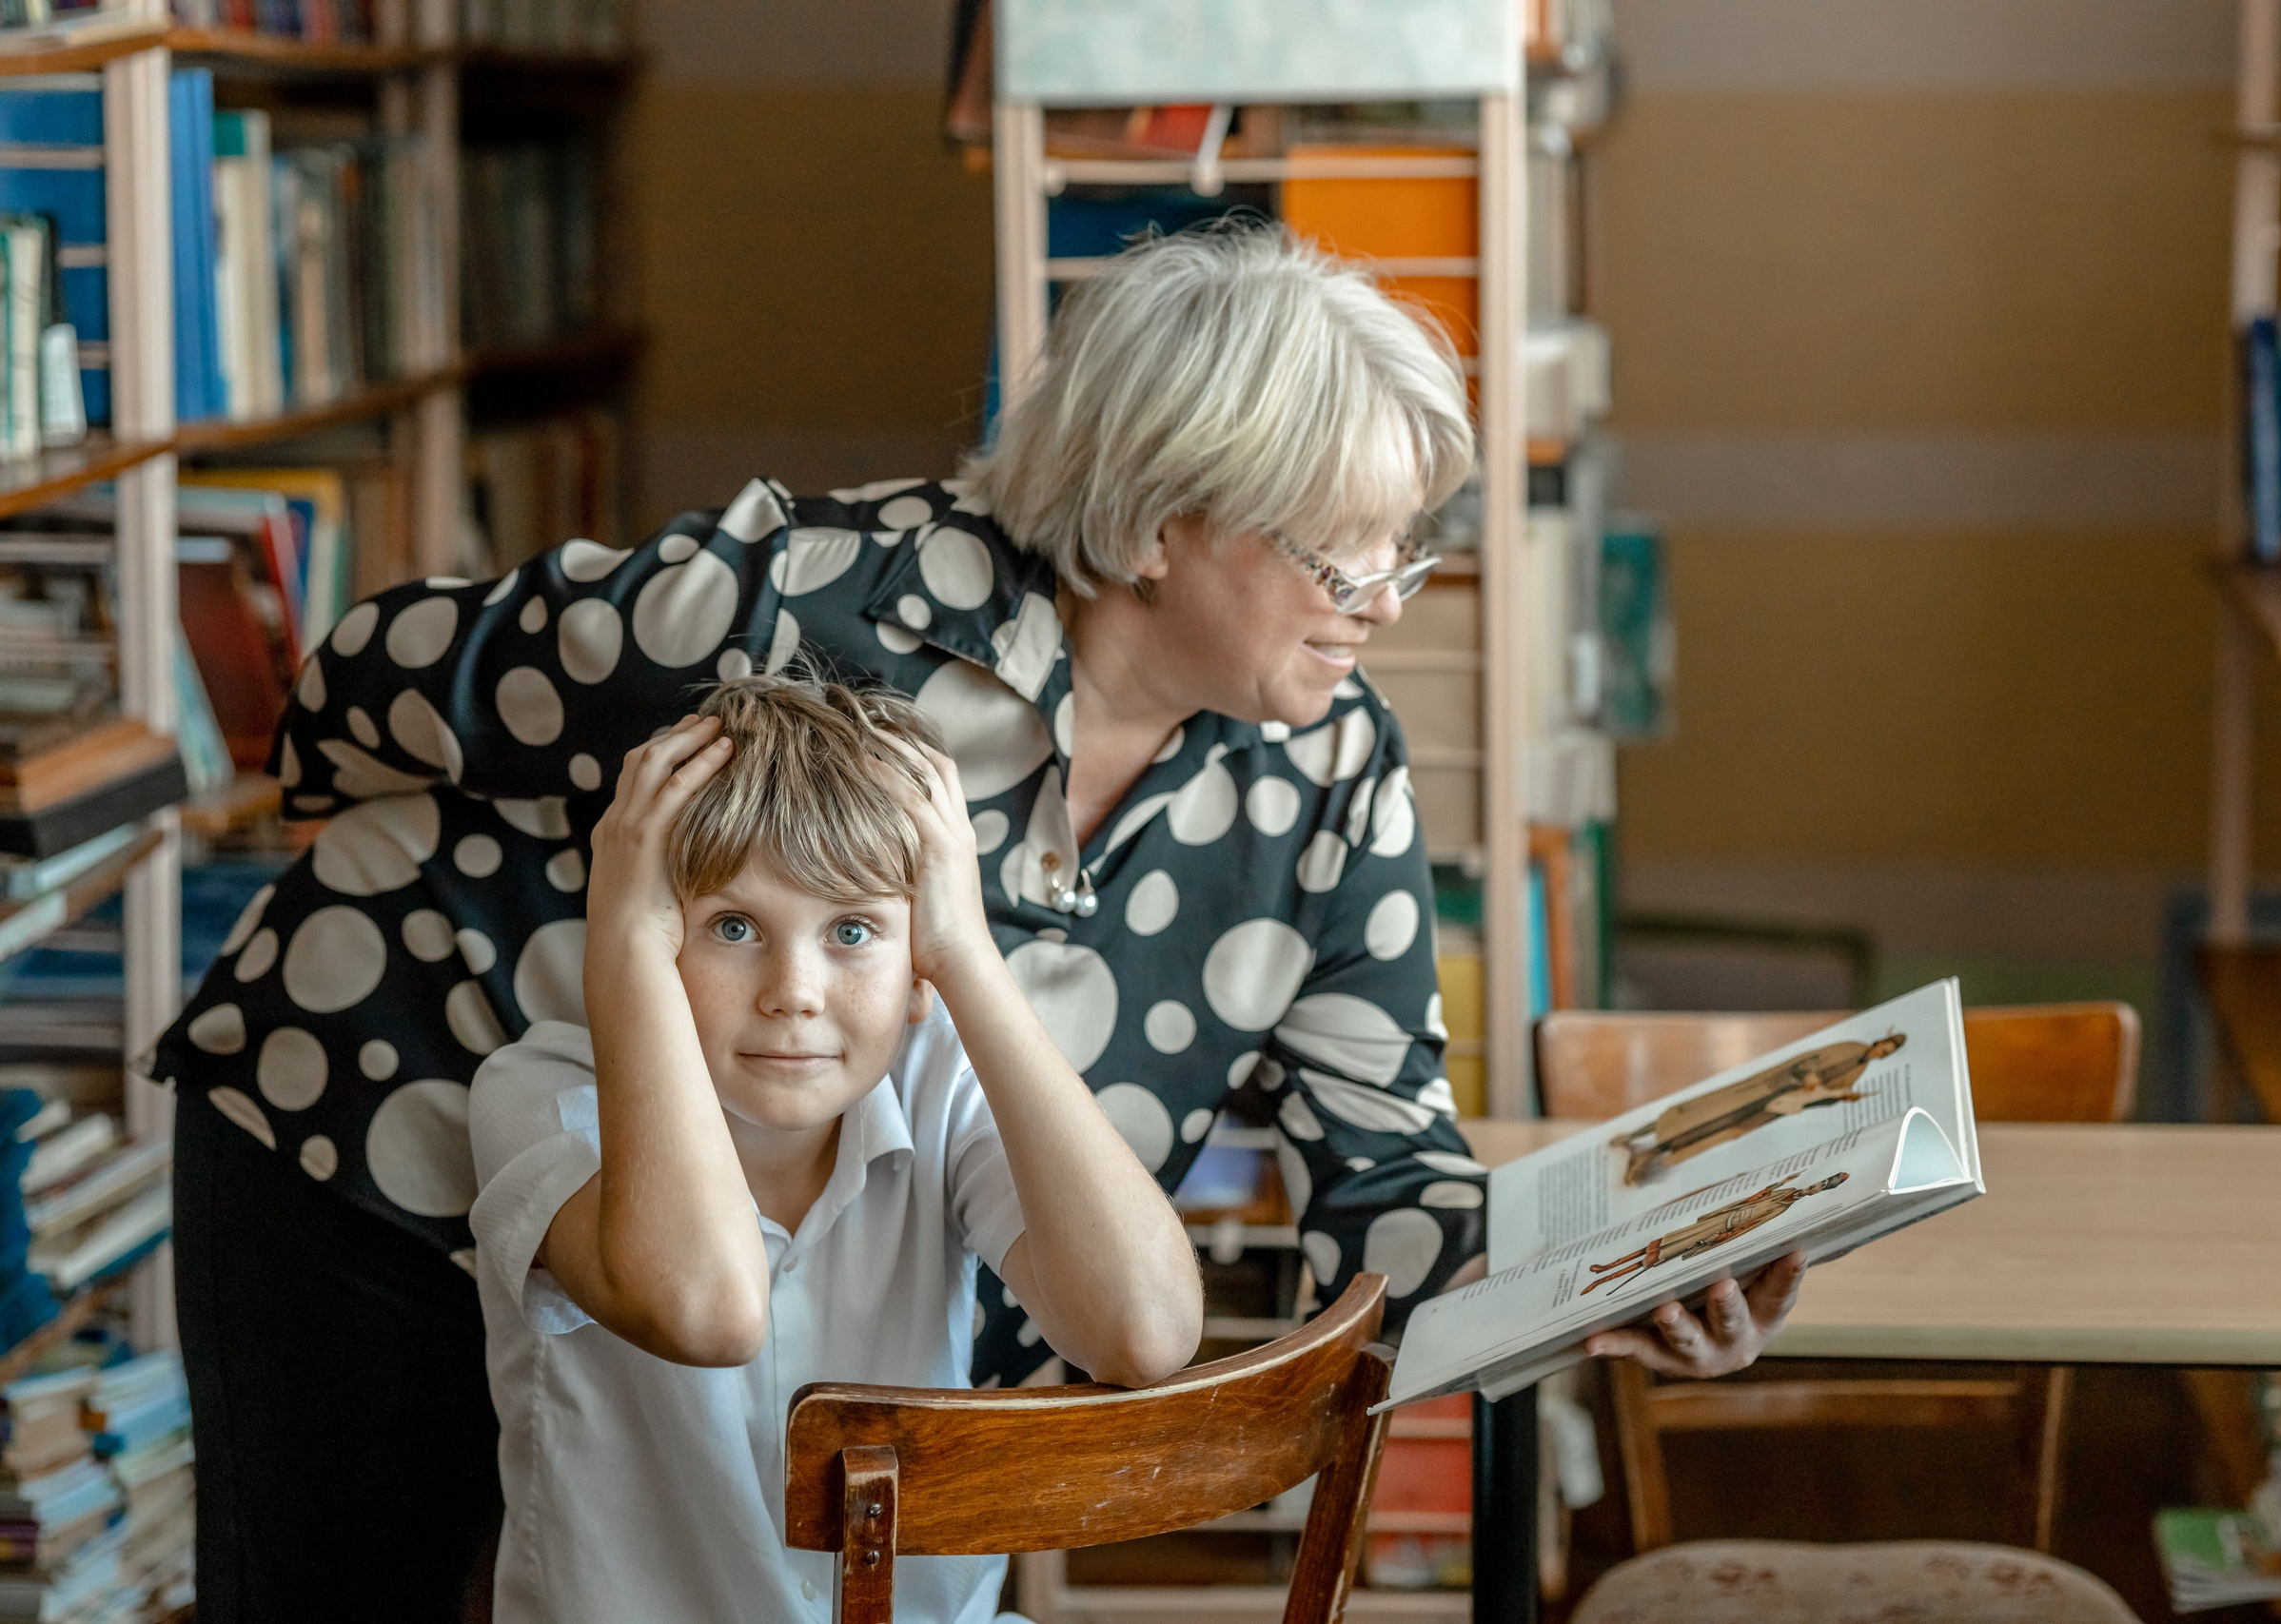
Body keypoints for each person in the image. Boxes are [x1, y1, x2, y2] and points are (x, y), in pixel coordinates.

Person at [150, 222, 1799, 1619]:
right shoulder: (810, 607)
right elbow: (364, 684)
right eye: (1337, 552)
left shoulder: (1330, 776)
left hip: (801, 1294)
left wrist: (1609, 1276)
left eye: (1405, 549)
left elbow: (1383, 1180)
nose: (1382, 597)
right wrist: (548, 861)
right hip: (392, 1122)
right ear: (1163, 520)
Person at [469, 677, 1200, 1621]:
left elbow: (1143, 1332)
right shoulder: (540, 1097)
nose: (794, 992)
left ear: (915, 962)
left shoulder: (935, 1074)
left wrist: (966, 957)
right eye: (733, 928)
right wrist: (623, 950)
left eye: (852, 930)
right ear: (652, 932)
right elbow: (707, 1312)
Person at [1620, 1034, 1906, 1185]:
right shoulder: (1850, 1047)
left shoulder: (1858, 1072)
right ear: (1881, 1040)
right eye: (1885, 1048)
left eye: (1888, 1054)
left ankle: (1652, 1154)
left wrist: (1840, 1097)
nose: (1882, 1053)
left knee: (1726, 1129)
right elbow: (1809, 1062)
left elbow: (1821, 1099)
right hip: (1770, 1086)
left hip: (1778, 1105)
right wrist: (1810, 1076)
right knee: (1710, 1112)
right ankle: (1637, 1136)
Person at [1582, 1172, 1851, 1295]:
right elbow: (1753, 1199)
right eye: (1816, 1183)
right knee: (1660, 1242)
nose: (1813, 1188)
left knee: (1660, 1256)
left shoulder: (1783, 1208)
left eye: (1818, 1189)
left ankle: (1604, 1281)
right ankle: (1607, 1267)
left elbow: (1749, 1226)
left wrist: (1722, 1238)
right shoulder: (1783, 1192)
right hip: (1716, 1218)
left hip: (1719, 1231)